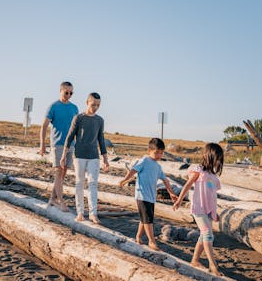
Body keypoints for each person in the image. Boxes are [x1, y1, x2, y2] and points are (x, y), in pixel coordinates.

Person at [172, 142, 224, 276]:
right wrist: (179, 200)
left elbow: (212, 196)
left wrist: (215, 211)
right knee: (208, 235)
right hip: (198, 209)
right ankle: (213, 265)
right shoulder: (199, 170)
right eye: (217, 157)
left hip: (208, 210)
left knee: (203, 235)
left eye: (220, 158)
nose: (218, 161)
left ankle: (195, 260)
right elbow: (188, 185)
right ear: (209, 156)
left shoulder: (214, 177)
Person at [119, 138, 177, 251]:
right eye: (156, 152)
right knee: (148, 220)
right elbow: (133, 170)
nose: (159, 155)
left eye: (161, 153)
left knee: (145, 219)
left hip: (151, 197)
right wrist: (124, 180)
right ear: (149, 151)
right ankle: (151, 241)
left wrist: (171, 192)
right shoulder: (144, 161)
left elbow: (165, 180)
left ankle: (139, 236)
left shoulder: (158, 166)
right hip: (142, 195)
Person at [61, 92, 109, 224]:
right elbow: (70, 137)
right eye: (93, 104)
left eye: (98, 105)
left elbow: (101, 139)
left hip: (94, 156)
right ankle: (80, 212)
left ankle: (93, 214)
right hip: (79, 156)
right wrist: (64, 155)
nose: (95, 107)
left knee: (93, 183)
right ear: (87, 102)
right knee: (79, 183)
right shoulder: (78, 118)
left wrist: (105, 158)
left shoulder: (100, 120)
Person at [40, 81, 79, 212]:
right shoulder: (53, 106)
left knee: (63, 174)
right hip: (57, 144)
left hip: (70, 145)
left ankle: (52, 199)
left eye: (71, 93)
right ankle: (61, 201)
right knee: (58, 172)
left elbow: (76, 129)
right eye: (66, 92)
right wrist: (42, 145)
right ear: (60, 91)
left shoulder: (74, 108)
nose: (69, 95)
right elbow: (44, 126)